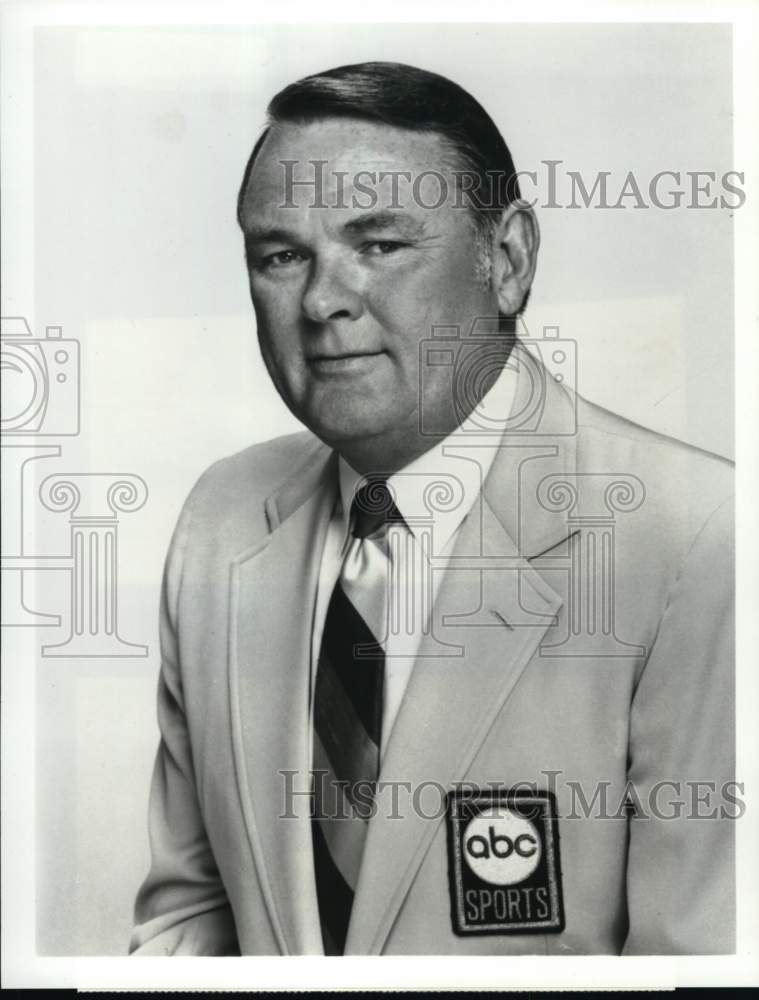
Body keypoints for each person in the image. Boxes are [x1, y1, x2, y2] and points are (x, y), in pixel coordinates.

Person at [130, 62, 734, 956]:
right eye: (281, 255)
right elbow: (186, 921)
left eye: (378, 244)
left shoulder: (697, 534)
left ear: (508, 260)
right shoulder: (222, 520)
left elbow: (702, 964)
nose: (324, 299)